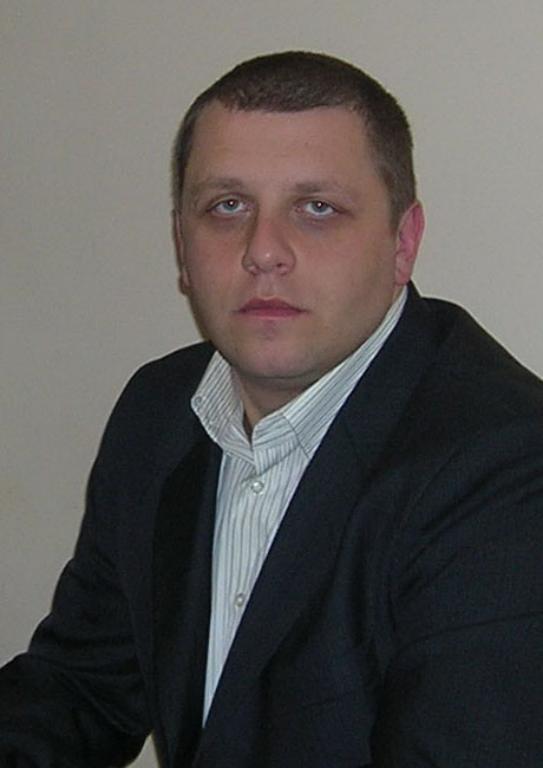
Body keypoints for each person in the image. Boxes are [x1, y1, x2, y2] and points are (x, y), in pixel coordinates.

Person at [1, 50, 543, 768]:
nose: (263, 251)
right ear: (182, 246)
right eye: (227, 206)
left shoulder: (507, 467)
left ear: (403, 242)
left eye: (317, 209)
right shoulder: (159, 410)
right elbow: (84, 687)